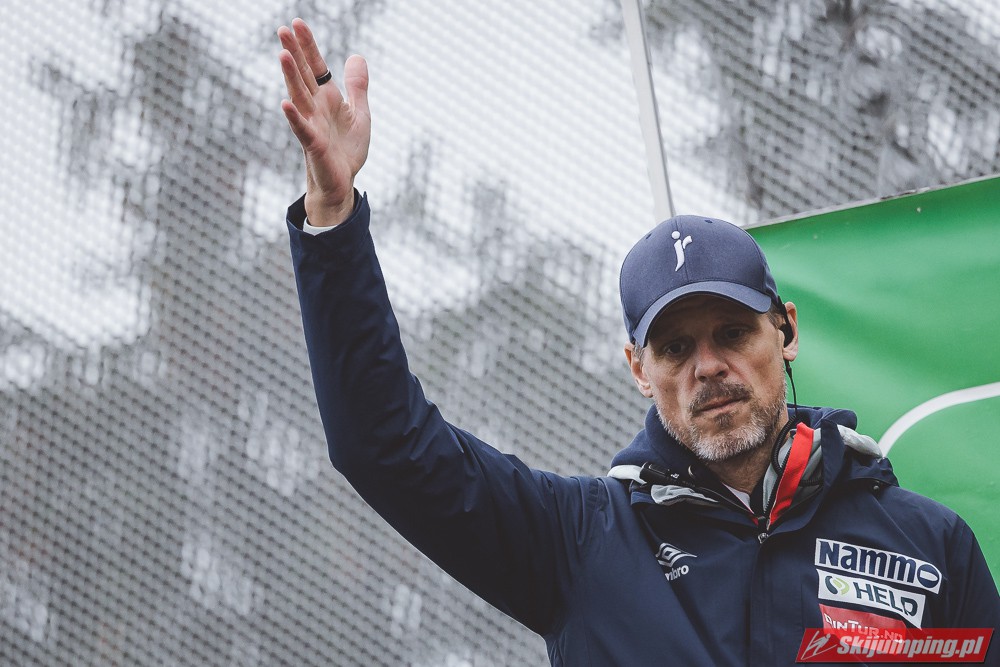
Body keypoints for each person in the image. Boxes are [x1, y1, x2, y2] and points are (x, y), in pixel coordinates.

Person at [276, 18, 1000, 665]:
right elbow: (384, 447)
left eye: (732, 332)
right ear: (637, 369)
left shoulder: (929, 545)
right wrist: (333, 217)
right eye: (675, 348)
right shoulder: (579, 542)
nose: (708, 366)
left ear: (785, 330)